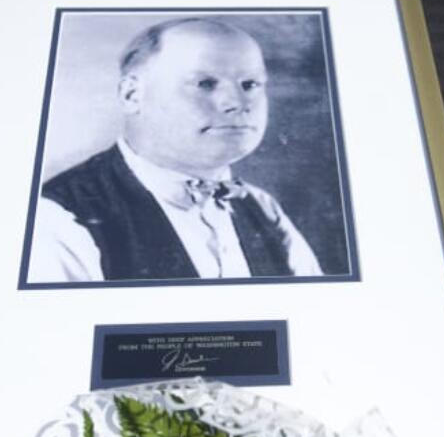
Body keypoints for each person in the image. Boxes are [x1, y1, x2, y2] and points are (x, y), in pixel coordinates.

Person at [27, 17, 324, 283]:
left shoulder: (262, 206)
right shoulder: (57, 219)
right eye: (205, 83)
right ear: (131, 95)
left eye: (250, 84)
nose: (237, 102)